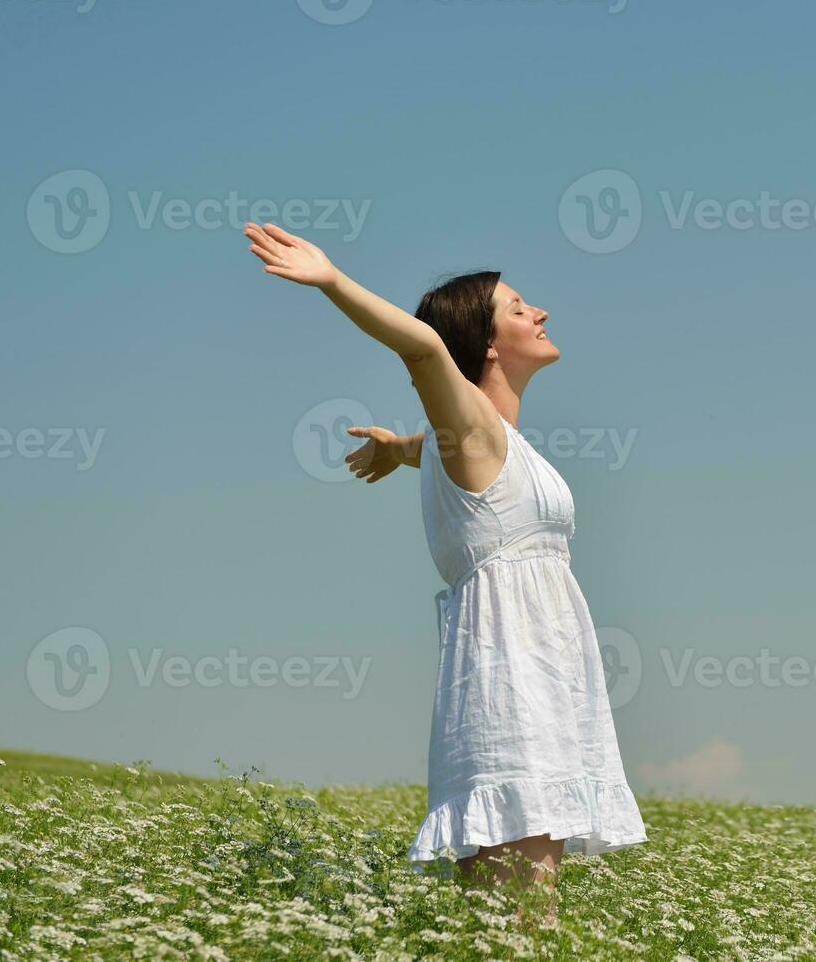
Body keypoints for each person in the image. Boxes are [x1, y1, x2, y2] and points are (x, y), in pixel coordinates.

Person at [242, 222, 647, 926]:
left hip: (544, 676)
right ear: (487, 343)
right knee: (519, 916)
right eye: (518, 308)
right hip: (510, 678)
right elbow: (425, 348)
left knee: (524, 917)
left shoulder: (479, 440)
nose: (539, 312)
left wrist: (399, 450)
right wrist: (333, 280)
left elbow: (437, 441)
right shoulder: (474, 430)